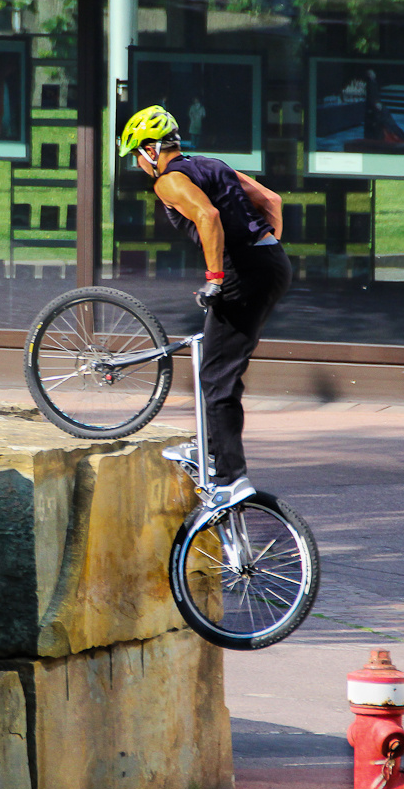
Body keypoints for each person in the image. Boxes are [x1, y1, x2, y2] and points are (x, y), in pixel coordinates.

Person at [118, 105, 290, 510]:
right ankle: (211, 450)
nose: (138, 165)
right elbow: (271, 200)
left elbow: (208, 216)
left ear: (149, 149)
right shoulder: (212, 165)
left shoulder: (168, 181)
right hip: (271, 263)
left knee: (216, 374)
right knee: (219, 365)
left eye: (135, 156)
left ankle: (230, 476)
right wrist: (265, 249)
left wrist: (216, 278)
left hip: (241, 271)